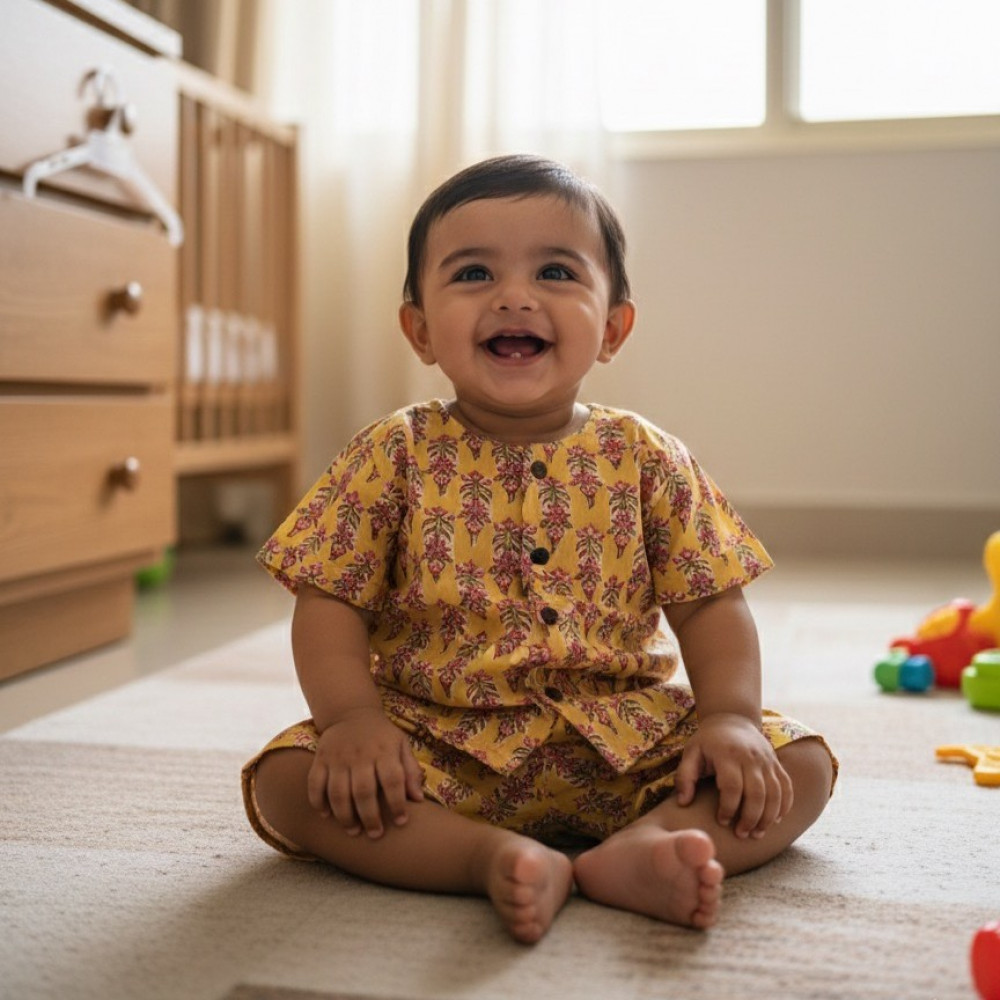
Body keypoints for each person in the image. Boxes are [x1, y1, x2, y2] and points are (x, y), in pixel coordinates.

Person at [243, 154, 837, 944]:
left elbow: (711, 602)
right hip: (439, 743)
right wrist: (352, 720)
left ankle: (646, 847)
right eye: (474, 274)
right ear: (419, 329)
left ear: (613, 327)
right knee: (293, 780)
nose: (513, 296)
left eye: (555, 271)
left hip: (626, 740)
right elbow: (328, 601)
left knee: (798, 763)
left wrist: (727, 717)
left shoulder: (646, 456)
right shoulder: (393, 452)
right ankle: (485, 857)